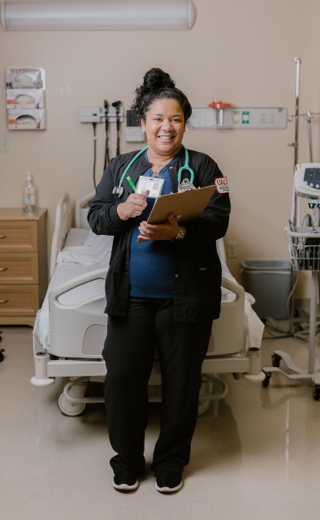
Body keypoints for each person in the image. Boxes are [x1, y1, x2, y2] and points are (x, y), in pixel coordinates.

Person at [87, 67, 230, 494]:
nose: (167, 127)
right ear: (143, 122)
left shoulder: (202, 166)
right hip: (131, 297)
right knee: (123, 379)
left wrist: (178, 232)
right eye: (158, 119)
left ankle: (170, 462)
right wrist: (122, 212)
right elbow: (96, 217)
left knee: (182, 383)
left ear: (184, 123)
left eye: (176, 120)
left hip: (184, 296)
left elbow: (219, 221)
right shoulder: (120, 167)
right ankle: (127, 461)